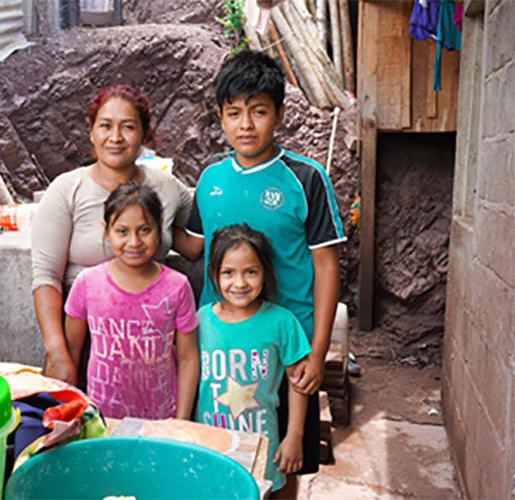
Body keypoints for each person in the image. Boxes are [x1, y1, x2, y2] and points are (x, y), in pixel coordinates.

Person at [174, 49, 345, 493]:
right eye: (234, 113)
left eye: (259, 111)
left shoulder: (305, 179)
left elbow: (327, 265)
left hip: (290, 353)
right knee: (215, 463)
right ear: (220, 116)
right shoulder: (210, 179)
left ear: (280, 114)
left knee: (283, 466)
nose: (246, 125)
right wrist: (142, 213)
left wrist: (319, 349)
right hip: (221, 352)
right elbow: (193, 245)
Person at [31, 84, 193, 386]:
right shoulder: (67, 190)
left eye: (128, 127)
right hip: (83, 340)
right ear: (91, 132)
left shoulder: (169, 190)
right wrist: (57, 352)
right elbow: (45, 277)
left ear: (144, 135)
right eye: (105, 126)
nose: (115, 138)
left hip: (151, 345)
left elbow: (196, 241)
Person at [63, 182, 199, 420]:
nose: (134, 242)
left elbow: (188, 357)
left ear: (159, 230)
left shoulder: (177, 286)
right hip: (103, 419)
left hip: (162, 418)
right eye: (122, 231)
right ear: (106, 231)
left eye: (144, 230)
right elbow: (72, 351)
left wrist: (182, 420)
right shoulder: (87, 283)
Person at [195, 224, 310, 494]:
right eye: (228, 273)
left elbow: (298, 382)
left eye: (251, 272)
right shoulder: (200, 321)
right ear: (214, 274)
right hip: (211, 444)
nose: (240, 283)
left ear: (265, 273)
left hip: (262, 445)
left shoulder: (282, 322)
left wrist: (294, 436)